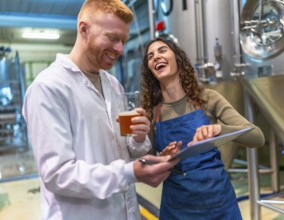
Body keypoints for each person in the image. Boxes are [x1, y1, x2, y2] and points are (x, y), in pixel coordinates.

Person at [22, 1, 178, 220]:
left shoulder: (113, 84)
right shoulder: (48, 87)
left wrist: (138, 138)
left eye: (123, 41)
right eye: (113, 38)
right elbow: (57, 175)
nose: (120, 49)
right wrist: (129, 172)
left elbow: (124, 150)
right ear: (84, 29)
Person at [140, 37, 265, 220]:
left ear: (177, 58)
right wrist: (162, 160)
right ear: (150, 70)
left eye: (162, 50)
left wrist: (218, 130)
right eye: (150, 56)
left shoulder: (208, 99)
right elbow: (147, 166)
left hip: (219, 205)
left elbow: (258, 137)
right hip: (176, 209)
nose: (156, 57)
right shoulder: (152, 114)